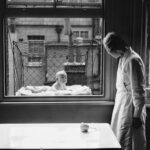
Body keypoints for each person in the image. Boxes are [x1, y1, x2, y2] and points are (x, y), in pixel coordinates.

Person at [103, 32, 146, 150]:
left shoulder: (133, 60)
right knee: (120, 137)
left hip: (130, 106)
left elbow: (138, 90)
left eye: (109, 51)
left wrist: (136, 116)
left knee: (130, 139)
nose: (109, 54)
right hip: (122, 103)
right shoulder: (123, 58)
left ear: (115, 48)